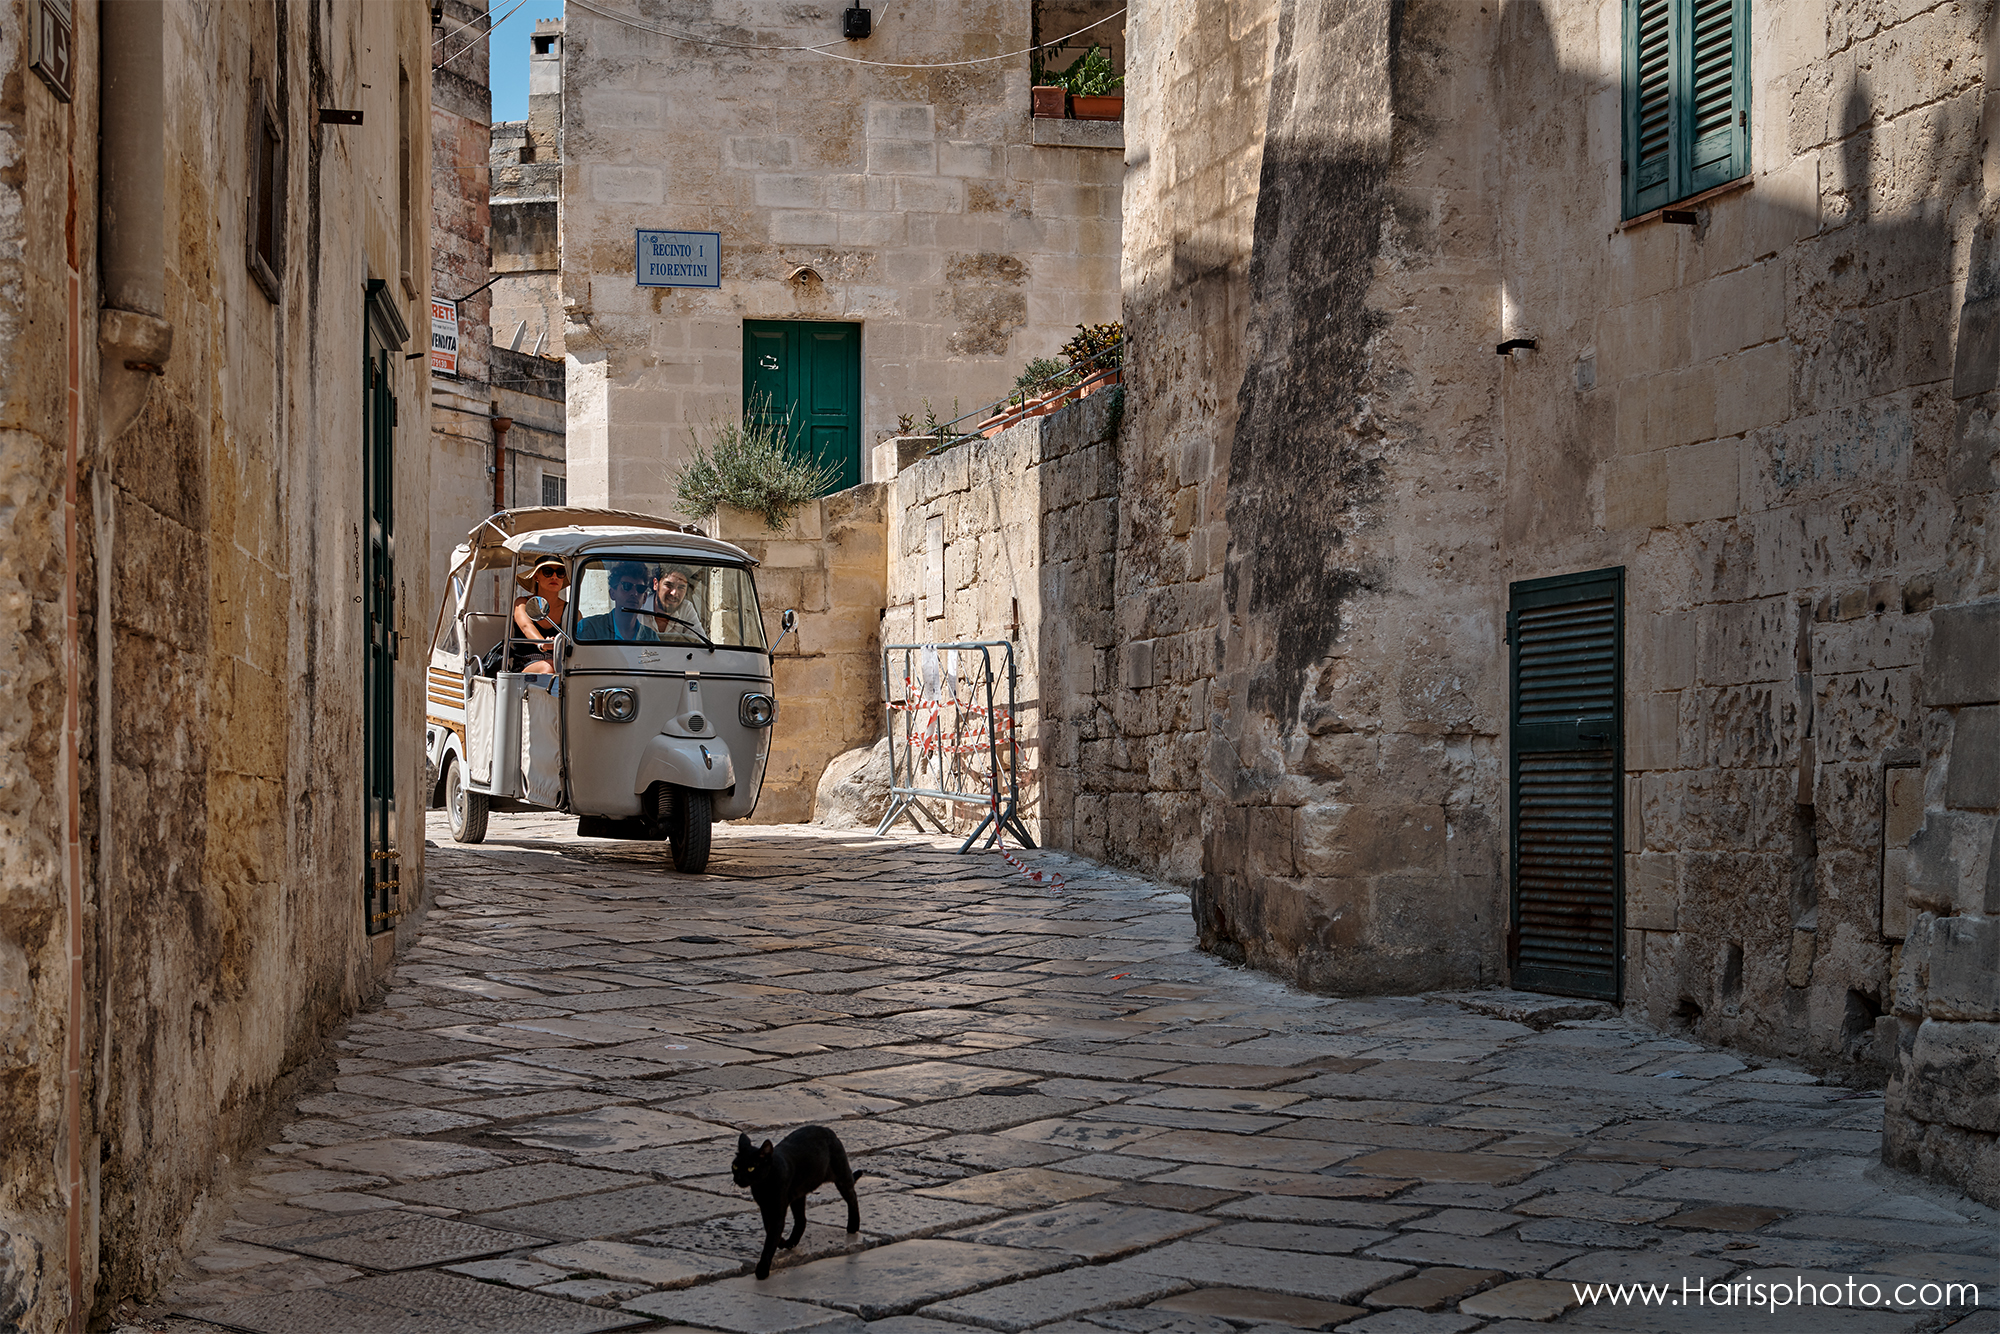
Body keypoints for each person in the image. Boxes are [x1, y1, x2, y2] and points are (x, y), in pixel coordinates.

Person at [574, 560, 663, 643]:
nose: (634, 593)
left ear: (645, 598)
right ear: (612, 593)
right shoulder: (589, 628)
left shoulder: (650, 637)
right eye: (627, 586)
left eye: (640, 588)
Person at [511, 559, 568, 673]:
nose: (554, 577)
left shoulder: (570, 610)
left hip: (562, 665)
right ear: (536, 577)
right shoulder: (522, 603)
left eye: (560, 572)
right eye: (548, 572)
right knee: (549, 667)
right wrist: (543, 644)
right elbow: (526, 626)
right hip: (526, 665)